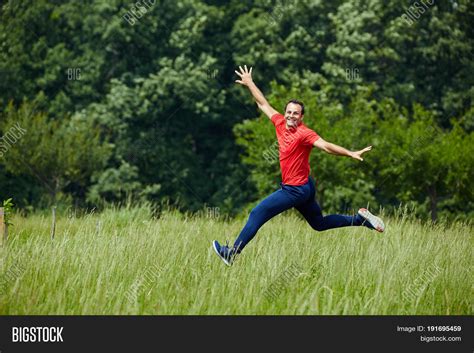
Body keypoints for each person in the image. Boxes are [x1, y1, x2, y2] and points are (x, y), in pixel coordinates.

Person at [212, 65, 385, 266]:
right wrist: (250, 83)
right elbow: (263, 104)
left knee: (257, 213)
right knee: (319, 224)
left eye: (296, 113)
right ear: (285, 113)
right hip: (306, 186)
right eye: (289, 112)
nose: (291, 116)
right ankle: (361, 220)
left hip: (295, 190)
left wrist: (350, 153)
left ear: (301, 117)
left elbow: (326, 146)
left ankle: (232, 253)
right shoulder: (279, 123)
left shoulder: (304, 133)